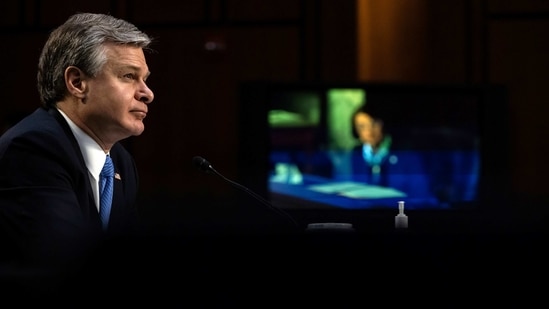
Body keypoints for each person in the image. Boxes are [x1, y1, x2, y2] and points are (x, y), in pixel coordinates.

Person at [0, 12, 155, 288]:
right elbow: (65, 263)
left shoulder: (120, 161)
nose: (147, 93)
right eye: (129, 76)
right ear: (77, 83)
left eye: (144, 79)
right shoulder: (33, 149)